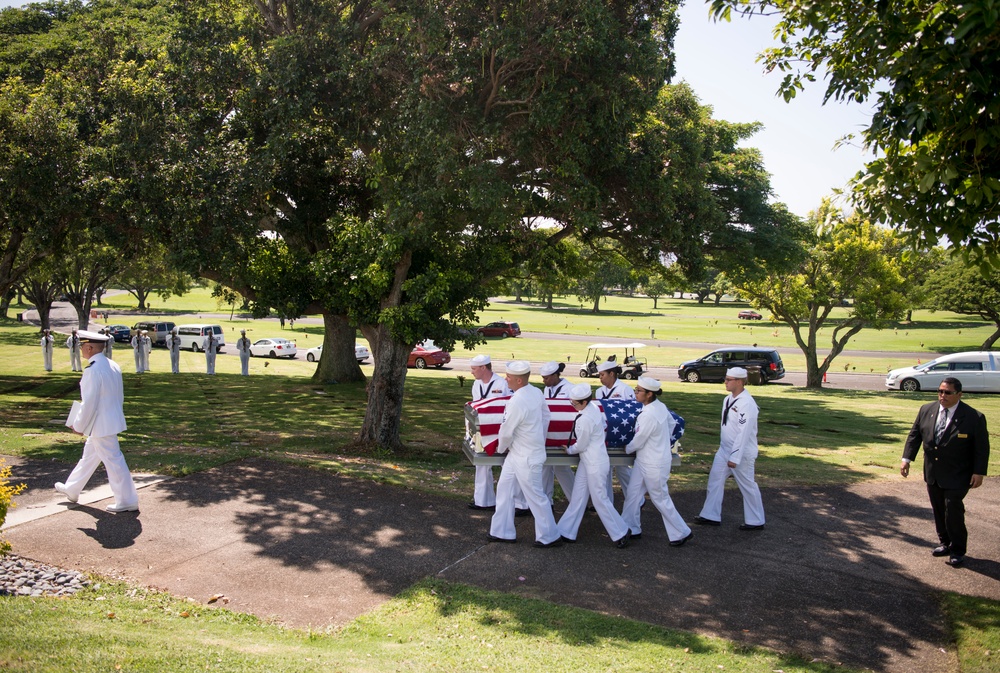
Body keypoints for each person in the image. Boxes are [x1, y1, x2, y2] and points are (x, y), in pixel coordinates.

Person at [901, 377, 990, 567]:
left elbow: (981, 448)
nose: (943, 396)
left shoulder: (974, 417)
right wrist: (906, 459)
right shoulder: (927, 410)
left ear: (959, 394)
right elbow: (915, 435)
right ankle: (945, 543)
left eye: (948, 392)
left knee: (953, 509)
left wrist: (979, 472)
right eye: (940, 391)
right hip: (934, 472)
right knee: (939, 508)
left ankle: (958, 549)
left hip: (959, 474)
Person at [54, 330, 139, 513]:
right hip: (108, 421)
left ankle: (127, 500)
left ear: (90, 348)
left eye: (83, 346)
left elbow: (89, 403)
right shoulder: (112, 365)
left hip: (100, 424)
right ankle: (72, 488)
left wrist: (78, 425)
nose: (81, 350)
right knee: (89, 457)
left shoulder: (93, 370)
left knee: (114, 461)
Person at [488, 361, 562, 547]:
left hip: (526, 456)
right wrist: (539, 437)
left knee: (536, 497)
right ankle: (502, 531)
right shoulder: (536, 392)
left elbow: (506, 431)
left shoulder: (517, 400)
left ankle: (550, 536)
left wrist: (499, 449)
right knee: (504, 490)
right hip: (519, 453)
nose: (506, 379)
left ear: (519, 380)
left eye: (509, 377)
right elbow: (546, 417)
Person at [556, 383, 631, 548]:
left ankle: (621, 531)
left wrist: (569, 450)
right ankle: (566, 530)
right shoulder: (593, 408)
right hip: (589, 461)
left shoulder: (585, 419)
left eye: (574, 403)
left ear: (583, 402)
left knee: (599, 499)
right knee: (578, 497)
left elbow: (581, 445)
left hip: (594, 462)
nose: (572, 405)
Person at [621, 377, 692, 546]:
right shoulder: (660, 407)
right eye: (635, 389)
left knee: (660, 498)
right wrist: (663, 441)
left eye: (638, 391)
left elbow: (639, 439)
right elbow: (671, 424)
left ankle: (682, 531)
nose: (635, 393)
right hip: (645, 460)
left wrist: (627, 448)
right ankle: (630, 527)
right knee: (633, 494)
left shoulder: (650, 414)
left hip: (654, 463)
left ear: (649, 394)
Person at [694, 367, 766, 530]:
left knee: (747, 485)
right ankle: (710, 515)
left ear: (740, 382)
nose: (725, 382)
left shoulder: (747, 403)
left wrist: (735, 457)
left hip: (741, 453)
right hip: (724, 449)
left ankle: (756, 520)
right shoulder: (728, 399)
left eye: (729, 379)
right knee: (715, 480)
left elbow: (744, 432)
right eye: (726, 379)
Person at [468, 354, 522, 512]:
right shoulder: (476, 384)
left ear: (483, 368)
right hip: (483, 430)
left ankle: (517, 502)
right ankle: (483, 500)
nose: (472, 372)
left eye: (474, 369)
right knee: (481, 464)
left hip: (503, 430)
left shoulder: (502, 383)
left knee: (509, 464)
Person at [594, 360, 635, 501]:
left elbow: (631, 412)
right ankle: (606, 501)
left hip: (620, 434)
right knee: (606, 469)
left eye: (602, 375)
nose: (600, 378)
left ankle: (635, 498)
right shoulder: (599, 391)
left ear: (612, 373)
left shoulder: (624, 389)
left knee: (622, 468)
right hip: (605, 434)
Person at [540, 361, 575, 503]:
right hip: (549, 432)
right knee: (545, 468)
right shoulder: (547, 389)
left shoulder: (570, 388)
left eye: (546, 378)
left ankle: (576, 501)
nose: (544, 381)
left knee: (562, 468)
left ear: (555, 375)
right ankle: (546, 501)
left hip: (563, 434)